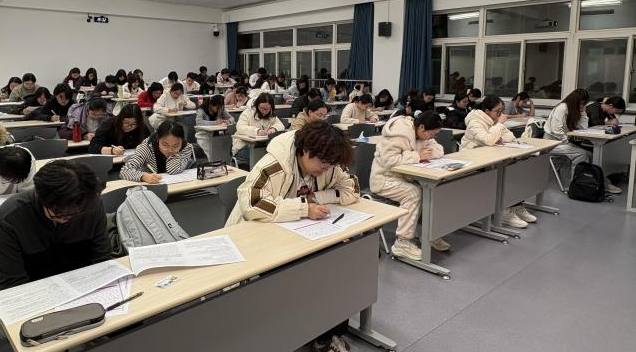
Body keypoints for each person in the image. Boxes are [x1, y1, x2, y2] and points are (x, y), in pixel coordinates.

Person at [225, 122, 359, 352]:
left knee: (336, 264)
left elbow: (352, 188)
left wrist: (318, 197)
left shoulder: (328, 164)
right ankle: (291, 333)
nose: (326, 169)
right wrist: (303, 208)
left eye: (330, 165)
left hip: (298, 236)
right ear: (305, 151)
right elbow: (252, 203)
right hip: (255, 237)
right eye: (323, 163)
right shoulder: (276, 163)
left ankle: (326, 334)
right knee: (302, 278)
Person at [0, 161, 111, 291]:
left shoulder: (90, 204)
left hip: (81, 286)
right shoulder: (9, 218)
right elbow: (12, 285)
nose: (66, 220)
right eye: (60, 215)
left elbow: (102, 259)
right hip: (32, 291)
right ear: (40, 196)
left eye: (77, 213)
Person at [370, 111, 450, 260]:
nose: (432, 138)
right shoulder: (399, 133)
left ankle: (429, 235)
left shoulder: (423, 134)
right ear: (421, 127)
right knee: (413, 193)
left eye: (435, 135)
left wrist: (422, 153)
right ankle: (402, 243)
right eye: (431, 134)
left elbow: (439, 150)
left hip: (405, 177)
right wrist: (418, 155)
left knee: (432, 190)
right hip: (384, 179)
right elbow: (389, 161)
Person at [461, 96, 535, 228]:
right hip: (473, 160)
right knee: (508, 173)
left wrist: (498, 134)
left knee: (515, 169)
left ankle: (515, 205)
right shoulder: (475, 121)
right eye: (497, 111)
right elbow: (488, 140)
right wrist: (499, 126)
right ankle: (505, 210)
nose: (500, 114)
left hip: (490, 156)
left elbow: (510, 137)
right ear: (487, 111)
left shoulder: (494, 119)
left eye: (501, 111)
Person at [543, 89, 622, 194]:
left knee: (592, 154)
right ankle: (575, 186)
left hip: (564, 141)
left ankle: (597, 182)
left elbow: (583, 128)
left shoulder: (576, 110)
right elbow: (556, 131)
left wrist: (583, 112)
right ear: (574, 101)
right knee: (581, 153)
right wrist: (568, 142)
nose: (582, 106)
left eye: (584, 104)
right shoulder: (562, 108)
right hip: (552, 143)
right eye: (581, 104)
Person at [120, 120, 195, 184]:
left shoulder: (186, 147)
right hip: (152, 187)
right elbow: (125, 171)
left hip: (178, 186)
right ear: (158, 139)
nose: (170, 150)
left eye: (176, 145)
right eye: (165, 145)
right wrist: (143, 176)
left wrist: (172, 155)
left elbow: (173, 170)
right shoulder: (147, 147)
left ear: (182, 140)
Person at [233, 93, 285, 158]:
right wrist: (257, 131)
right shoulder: (248, 112)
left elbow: (280, 125)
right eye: (262, 108)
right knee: (266, 154)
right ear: (257, 105)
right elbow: (240, 127)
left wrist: (273, 129)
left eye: (267, 109)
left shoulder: (271, 115)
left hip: (263, 145)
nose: (264, 111)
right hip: (243, 146)